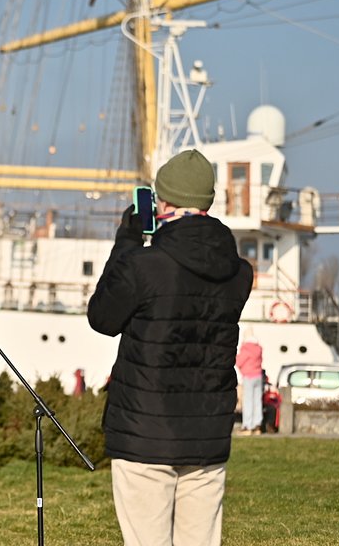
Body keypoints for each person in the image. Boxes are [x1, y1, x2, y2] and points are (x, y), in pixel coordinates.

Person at [87, 149, 254, 546]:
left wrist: (127, 242)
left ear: (161, 202)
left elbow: (103, 318)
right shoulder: (238, 273)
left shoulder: (144, 265)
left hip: (145, 431)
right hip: (208, 432)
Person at [236, 328, 264, 436]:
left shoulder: (246, 348)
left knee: (248, 401)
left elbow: (238, 362)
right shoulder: (258, 348)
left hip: (248, 376)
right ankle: (257, 425)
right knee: (257, 401)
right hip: (258, 376)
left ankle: (247, 426)